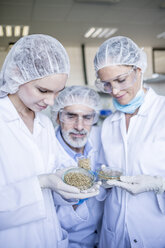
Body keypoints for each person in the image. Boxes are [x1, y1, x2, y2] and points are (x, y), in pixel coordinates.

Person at [0, 34, 99, 248]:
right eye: (43, 90)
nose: (51, 101)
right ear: (17, 73)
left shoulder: (44, 124)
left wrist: (70, 193)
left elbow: (52, 187)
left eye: (58, 93)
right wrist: (40, 183)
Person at [94, 36, 165, 248]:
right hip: (113, 233)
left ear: (138, 70)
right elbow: (102, 172)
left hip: (154, 232)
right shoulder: (109, 124)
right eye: (106, 84)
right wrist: (99, 181)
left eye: (121, 80)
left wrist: (159, 184)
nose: (114, 91)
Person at [51, 85, 104, 248]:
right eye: (71, 116)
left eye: (87, 117)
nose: (79, 126)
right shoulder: (47, 153)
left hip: (104, 237)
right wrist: (76, 201)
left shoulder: (101, 141)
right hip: (71, 242)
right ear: (58, 116)